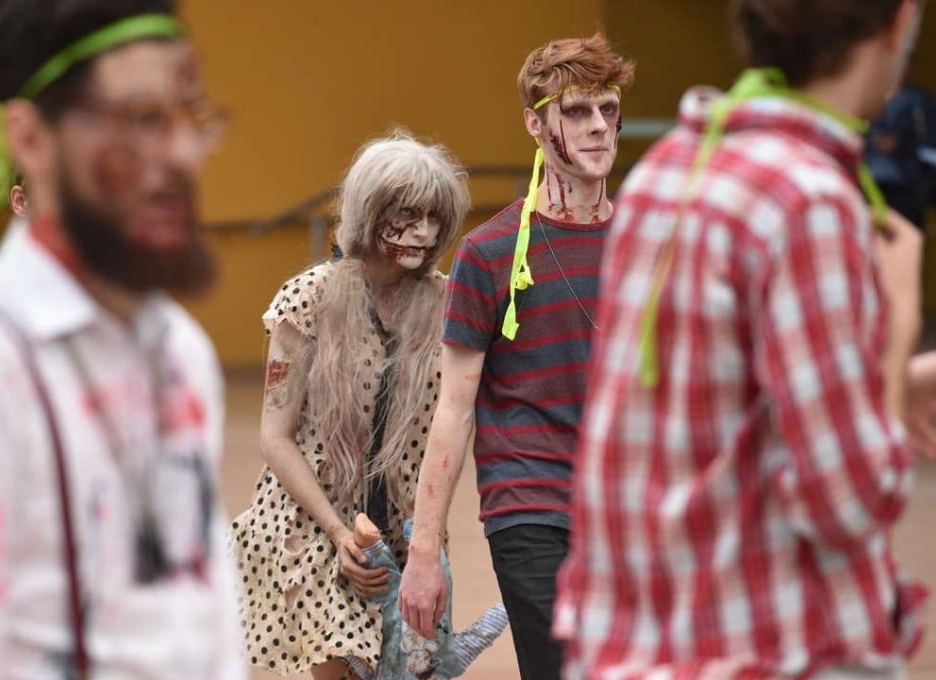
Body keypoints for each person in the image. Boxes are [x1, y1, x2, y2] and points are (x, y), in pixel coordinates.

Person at [553, 1, 929, 677]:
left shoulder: (669, 169)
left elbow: (707, 414)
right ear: (898, 26)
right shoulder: (809, 198)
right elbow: (849, 503)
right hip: (772, 650)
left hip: (636, 651)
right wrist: (900, 320)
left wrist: (878, 380)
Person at [0, 1, 242, 678]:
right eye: (140, 121)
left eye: (190, 116)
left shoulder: (180, 352)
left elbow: (204, 629)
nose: (181, 155)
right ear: (30, 139)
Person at [399, 33, 634, 680]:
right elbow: (454, 407)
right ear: (537, 124)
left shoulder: (650, 240)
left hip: (631, 503)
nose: (597, 128)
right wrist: (424, 552)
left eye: (608, 111)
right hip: (531, 505)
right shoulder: (490, 252)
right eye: (577, 111)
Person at [229, 132, 470, 679]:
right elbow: (276, 434)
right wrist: (339, 534)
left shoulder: (450, 302)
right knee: (339, 662)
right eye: (406, 215)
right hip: (314, 525)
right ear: (370, 212)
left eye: (435, 218)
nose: (424, 233)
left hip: (408, 535)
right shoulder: (306, 298)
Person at [344, 513, 507, 680]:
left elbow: (361, 665)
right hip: (432, 597)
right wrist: (511, 607)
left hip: (391, 612)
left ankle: (371, 547)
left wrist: (344, 649)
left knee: (381, 584)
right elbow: (481, 635)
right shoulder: (448, 666)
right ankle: (417, 524)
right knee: (435, 566)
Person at [865, 69, 936, 229]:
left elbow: (929, 145)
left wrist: (903, 143)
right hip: (868, 182)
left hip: (908, 185)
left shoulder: (917, 100)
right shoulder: (867, 97)